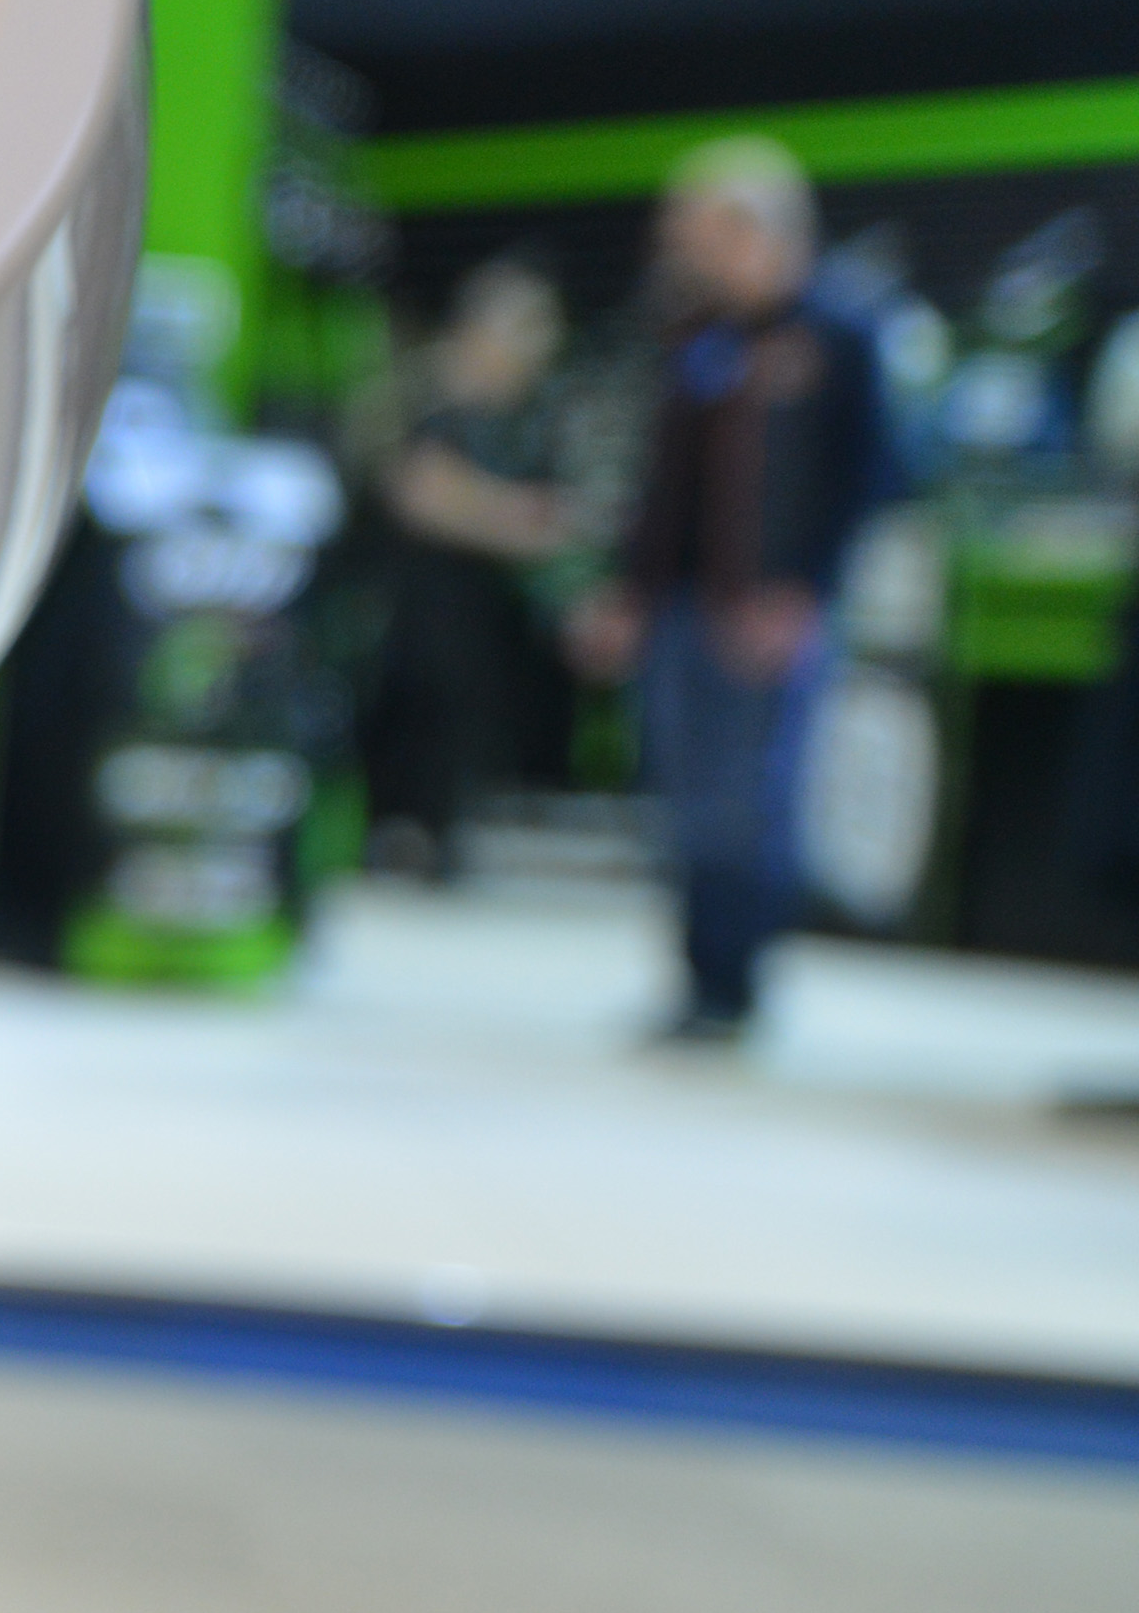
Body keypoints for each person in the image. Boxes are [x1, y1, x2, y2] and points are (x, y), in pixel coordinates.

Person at [576, 139, 898, 1042]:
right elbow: (661, 486)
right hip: (681, 611)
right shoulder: (695, 338)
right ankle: (696, 981)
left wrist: (803, 591)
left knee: (752, 804)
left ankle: (736, 984)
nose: (681, 250)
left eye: (696, 231)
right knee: (684, 799)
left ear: (753, 229)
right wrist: (627, 592)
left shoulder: (841, 335)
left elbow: (872, 478)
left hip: (770, 614)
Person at [355, 255, 581, 874]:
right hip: (419, 609)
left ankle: (437, 835)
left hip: (480, 613)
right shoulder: (432, 398)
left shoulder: (517, 418)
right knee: (422, 720)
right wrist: (519, 521)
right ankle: (405, 833)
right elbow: (420, 495)